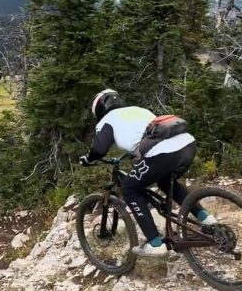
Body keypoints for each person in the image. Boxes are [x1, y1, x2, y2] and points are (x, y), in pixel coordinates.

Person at [79, 89, 216, 256]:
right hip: (187, 144)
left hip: (163, 153)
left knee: (130, 188)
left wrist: (88, 159)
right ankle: (206, 219)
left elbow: (99, 149)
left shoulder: (107, 120)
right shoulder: (138, 110)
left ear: (99, 110)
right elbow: (149, 134)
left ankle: (155, 243)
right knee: (165, 181)